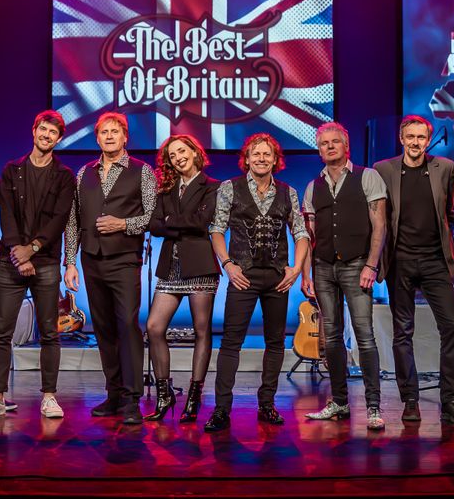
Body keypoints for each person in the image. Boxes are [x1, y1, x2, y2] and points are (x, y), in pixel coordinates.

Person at [204, 133, 310, 432]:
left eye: (267, 154)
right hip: (243, 277)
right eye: (256, 154)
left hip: (277, 277)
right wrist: (227, 264)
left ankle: (267, 403)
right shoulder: (230, 188)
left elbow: (301, 233)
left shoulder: (288, 192)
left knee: (275, 342)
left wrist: (296, 269)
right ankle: (222, 409)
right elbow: (216, 229)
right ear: (247, 159)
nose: (261, 158)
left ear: (275, 160)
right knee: (231, 342)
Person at [0, 111, 75, 419]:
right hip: (11, 262)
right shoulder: (12, 170)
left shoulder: (64, 176)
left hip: (45, 262)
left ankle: (49, 397)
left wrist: (31, 250)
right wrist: (18, 254)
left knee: (49, 332)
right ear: (34, 131)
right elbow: (6, 215)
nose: (46, 135)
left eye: (53, 132)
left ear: (59, 139)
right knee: (2, 332)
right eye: (43, 129)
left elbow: (58, 220)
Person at [374, 116, 454, 425]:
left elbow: (449, 213)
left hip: (434, 261)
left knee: (451, 327)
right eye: (410, 137)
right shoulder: (383, 169)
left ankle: (450, 400)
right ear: (401, 139)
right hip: (399, 261)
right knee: (403, 331)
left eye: (421, 137)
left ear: (429, 141)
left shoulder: (445, 167)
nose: (415, 142)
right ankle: (410, 400)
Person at [63, 112, 156, 425]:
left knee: (127, 325)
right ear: (97, 137)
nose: (110, 136)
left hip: (124, 259)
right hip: (92, 258)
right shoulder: (84, 173)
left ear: (125, 137)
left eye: (115, 131)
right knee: (102, 328)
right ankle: (114, 394)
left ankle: (132, 398)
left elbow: (152, 216)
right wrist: (70, 261)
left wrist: (123, 224)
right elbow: (73, 220)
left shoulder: (141, 171)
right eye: (104, 132)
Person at [301, 122, 389, 430]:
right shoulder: (313, 186)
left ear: (346, 145)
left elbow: (380, 225)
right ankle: (339, 401)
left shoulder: (367, 176)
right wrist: (306, 273)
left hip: (357, 265)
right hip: (323, 267)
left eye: (334, 142)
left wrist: (371, 265)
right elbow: (308, 234)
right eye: (323, 143)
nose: (329, 147)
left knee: (364, 335)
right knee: (332, 336)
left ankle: (374, 406)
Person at [144, 135, 220, 423]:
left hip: (200, 265)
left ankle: (194, 396)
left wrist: (169, 222)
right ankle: (165, 395)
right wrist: (173, 224)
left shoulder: (213, 186)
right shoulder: (165, 189)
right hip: (170, 267)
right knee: (154, 327)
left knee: (201, 330)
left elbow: (202, 222)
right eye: (172, 155)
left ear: (194, 151)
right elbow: (153, 225)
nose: (177, 158)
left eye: (181, 151)